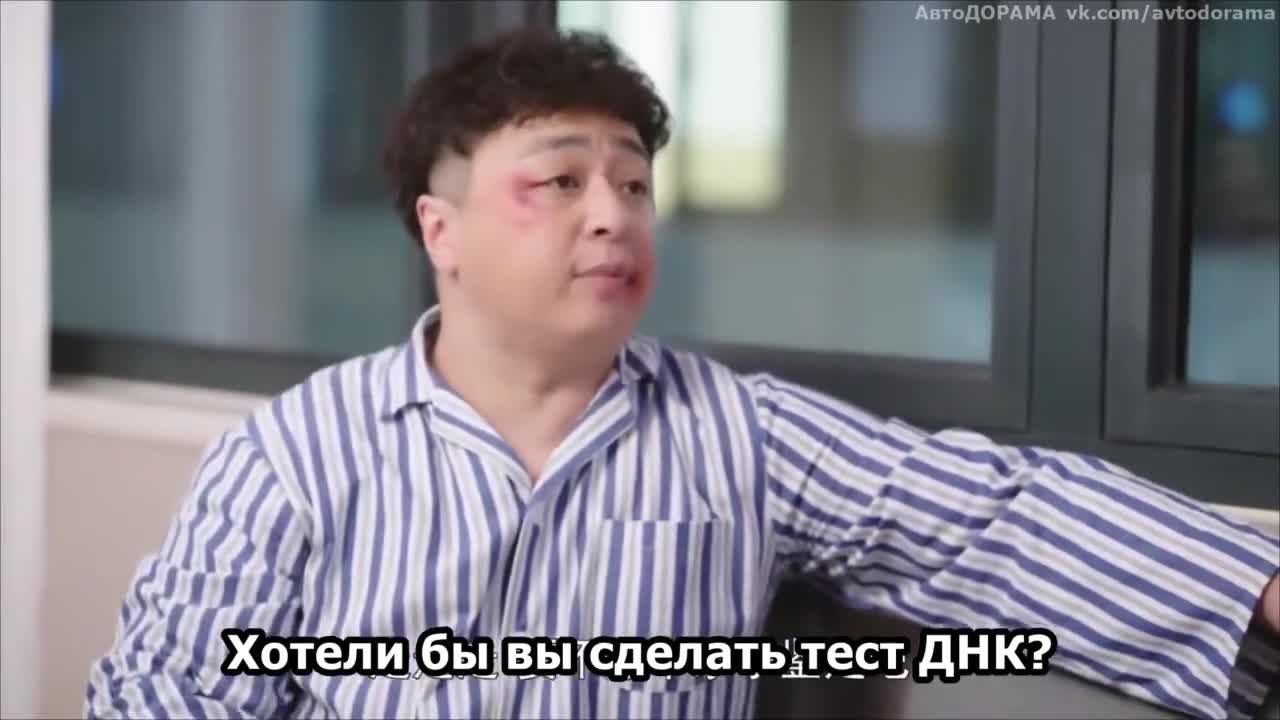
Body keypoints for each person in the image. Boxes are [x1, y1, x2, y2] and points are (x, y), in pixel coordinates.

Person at [86, 26, 1278, 720]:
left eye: (633, 184)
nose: (612, 215)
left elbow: (991, 520)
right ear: (439, 230)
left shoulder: (740, 435)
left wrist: (1260, 585)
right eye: (560, 182)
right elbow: (163, 698)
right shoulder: (294, 456)